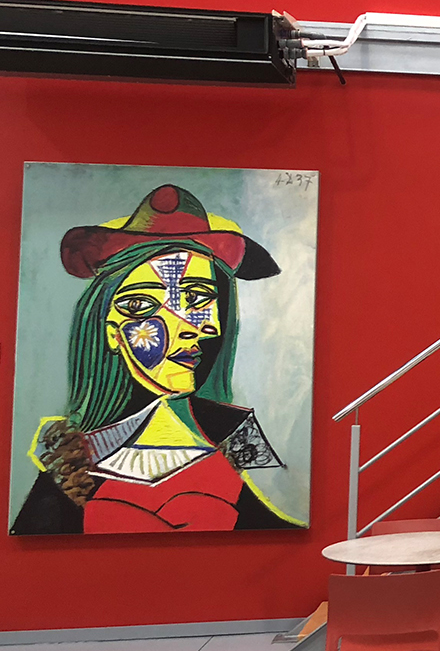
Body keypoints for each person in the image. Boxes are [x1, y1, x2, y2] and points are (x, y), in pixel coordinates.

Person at [10, 184, 303, 534]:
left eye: (198, 298)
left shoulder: (235, 437)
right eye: (142, 305)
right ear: (110, 330)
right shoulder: (71, 457)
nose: (188, 326)